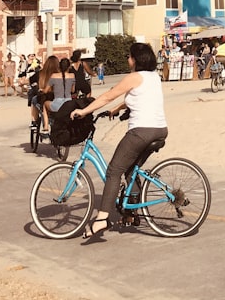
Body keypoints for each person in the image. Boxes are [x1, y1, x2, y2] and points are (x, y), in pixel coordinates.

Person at [70, 42, 167, 239]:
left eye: (129, 56)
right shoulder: (153, 77)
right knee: (131, 169)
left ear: (136, 59)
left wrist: (84, 111)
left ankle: (102, 219)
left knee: (114, 171)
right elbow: (138, 97)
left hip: (141, 132)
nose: (127, 60)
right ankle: (131, 213)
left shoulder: (133, 77)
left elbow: (107, 96)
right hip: (160, 130)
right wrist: (118, 109)